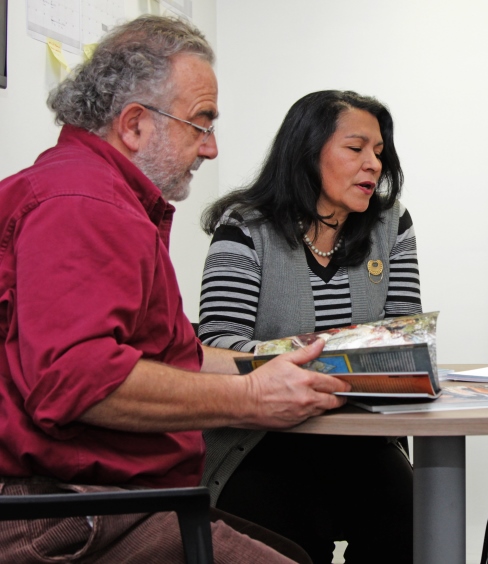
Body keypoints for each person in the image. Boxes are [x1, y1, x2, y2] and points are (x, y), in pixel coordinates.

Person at [0, 15, 352, 563]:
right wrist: (252, 398)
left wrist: (285, 368)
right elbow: (76, 380)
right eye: (201, 123)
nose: (211, 149)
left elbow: (178, 358)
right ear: (135, 124)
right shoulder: (83, 204)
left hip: (107, 498)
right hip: (66, 512)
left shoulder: (98, 195)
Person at [197, 90, 421, 564]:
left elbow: (405, 335)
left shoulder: (391, 223)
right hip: (261, 436)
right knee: (290, 539)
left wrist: (325, 359)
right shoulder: (245, 226)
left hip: (359, 434)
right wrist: (337, 356)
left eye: (379, 153)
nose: (373, 165)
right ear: (307, 151)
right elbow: (215, 344)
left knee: (414, 523)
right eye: (355, 148)